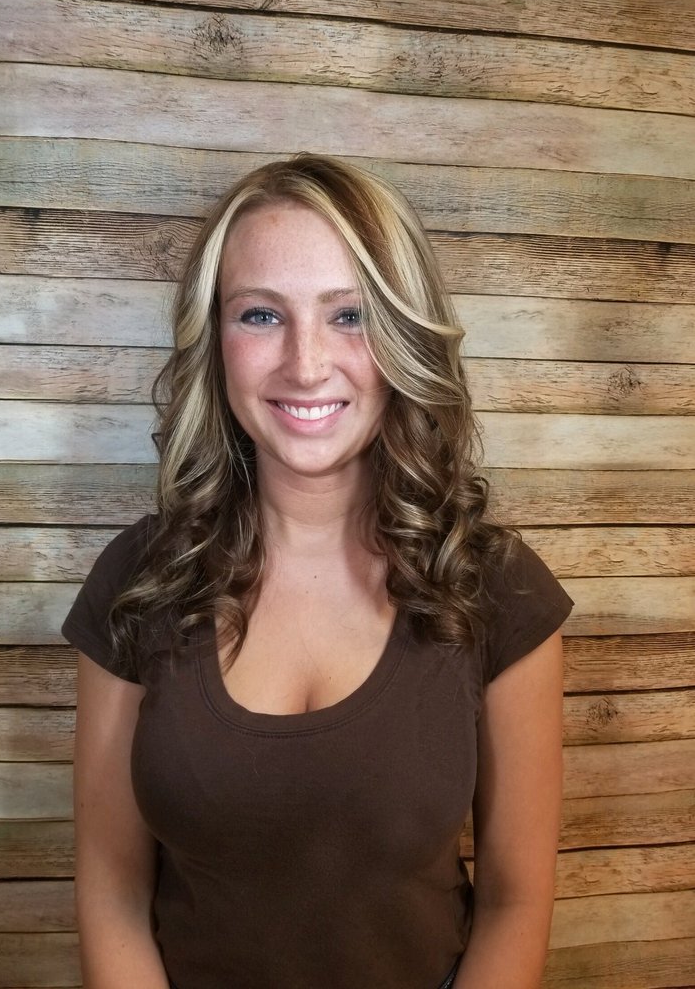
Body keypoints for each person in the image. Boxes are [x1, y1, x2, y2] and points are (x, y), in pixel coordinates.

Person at [63, 153, 573, 989]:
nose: (306, 364)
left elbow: (516, 902)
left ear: (405, 337)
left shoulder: (498, 587)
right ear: (215, 341)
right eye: (261, 315)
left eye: (350, 315)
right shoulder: (138, 579)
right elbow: (113, 893)